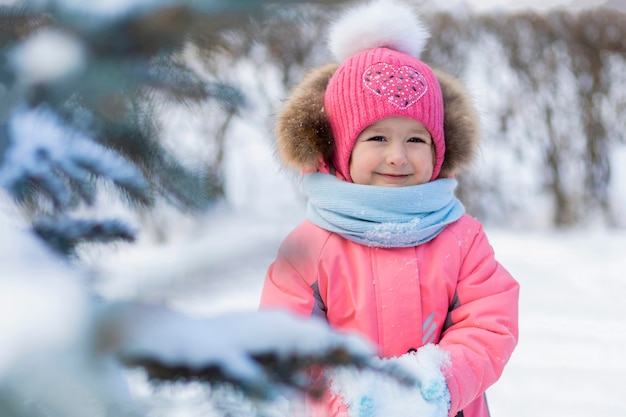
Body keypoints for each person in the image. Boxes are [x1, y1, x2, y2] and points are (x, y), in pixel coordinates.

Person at [259, 1, 519, 416]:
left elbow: (489, 323)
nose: (397, 156)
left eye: (415, 140)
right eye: (377, 139)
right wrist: (349, 396)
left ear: (438, 150)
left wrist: (439, 385)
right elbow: (288, 339)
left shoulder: (462, 237)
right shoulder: (311, 244)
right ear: (342, 148)